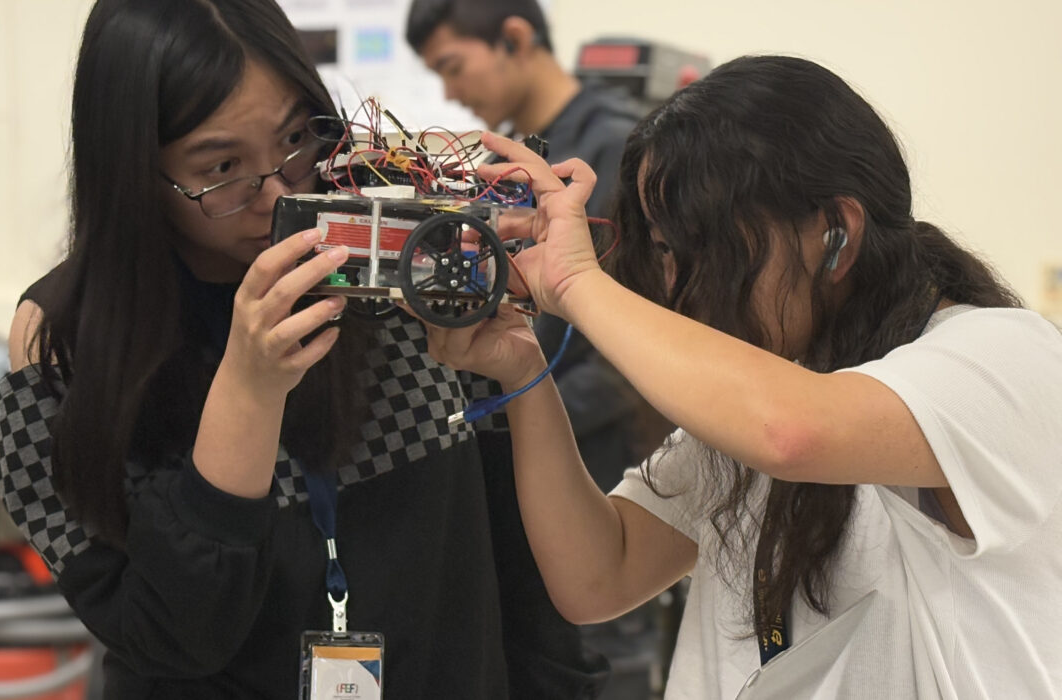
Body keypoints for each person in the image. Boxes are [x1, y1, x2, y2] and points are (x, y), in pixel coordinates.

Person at [0, 1, 606, 697]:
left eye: (298, 138)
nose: (277, 192)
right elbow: (170, 635)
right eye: (221, 166)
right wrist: (247, 390)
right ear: (133, 172)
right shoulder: (64, 339)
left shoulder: (398, 270)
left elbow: (529, 576)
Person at [420, 55, 1062, 698]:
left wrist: (575, 283)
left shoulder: (1005, 354)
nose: (682, 286)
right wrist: (524, 369)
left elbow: (791, 433)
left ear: (835, 233)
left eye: (713, 250)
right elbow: (598, 574)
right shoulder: (767, 386)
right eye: (668, 251)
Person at [406, 0, 669, 489]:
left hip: (598, 454)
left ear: (515, 38)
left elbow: (632, 343)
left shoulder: (613, 148)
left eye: (453, 67)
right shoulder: (509, 157)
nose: (449, 91)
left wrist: (523, 414)